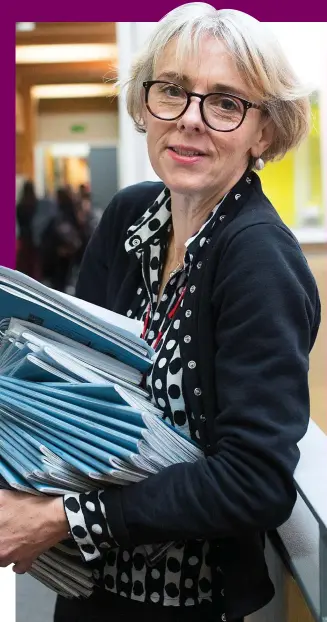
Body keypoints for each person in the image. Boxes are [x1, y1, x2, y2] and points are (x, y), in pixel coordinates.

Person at [0, 5, 321, 622]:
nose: (191, 120)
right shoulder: (128, 218)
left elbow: (255, 482)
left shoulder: (260, 261)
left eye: (226, 102)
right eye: (173, 90)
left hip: (178, 603)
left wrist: (64, 516)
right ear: (146, 106)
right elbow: (72, 379)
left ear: (265, 131)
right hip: (88, 589)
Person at [16, 180, 40, 279]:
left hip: (23, 237)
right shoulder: (36, 204)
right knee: (33, 263)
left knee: (24, 263)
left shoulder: (19, 206)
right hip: (34, 237)